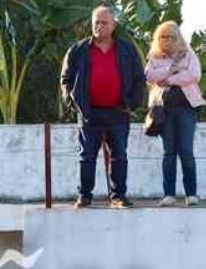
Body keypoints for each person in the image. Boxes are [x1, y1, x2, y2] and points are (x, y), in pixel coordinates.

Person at [60, 5, 145, 209]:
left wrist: (132, 104)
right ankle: (85, 196)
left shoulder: (126, 49)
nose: (99, 26)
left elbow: (138, 78)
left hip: (118, 112)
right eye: (96, 22)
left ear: (114, 25)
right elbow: (66, 79)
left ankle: (118, 197)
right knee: (86, 156)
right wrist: (72, 103)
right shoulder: (78, 50)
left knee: (119, 156)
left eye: (104, 22)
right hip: (89, 113)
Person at [145, 21, 206, 207]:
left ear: (177, 37)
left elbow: (194, 75)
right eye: (162, 37)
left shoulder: (188, 54)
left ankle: (191, 194)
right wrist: (170, 69)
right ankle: (169, 195)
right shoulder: (154, 57)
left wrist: (168, 79)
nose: (165, 40)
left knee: (186, 152)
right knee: (168, 153)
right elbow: (148, 75)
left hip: (187, 109)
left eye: (169, 36)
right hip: (164, 111)